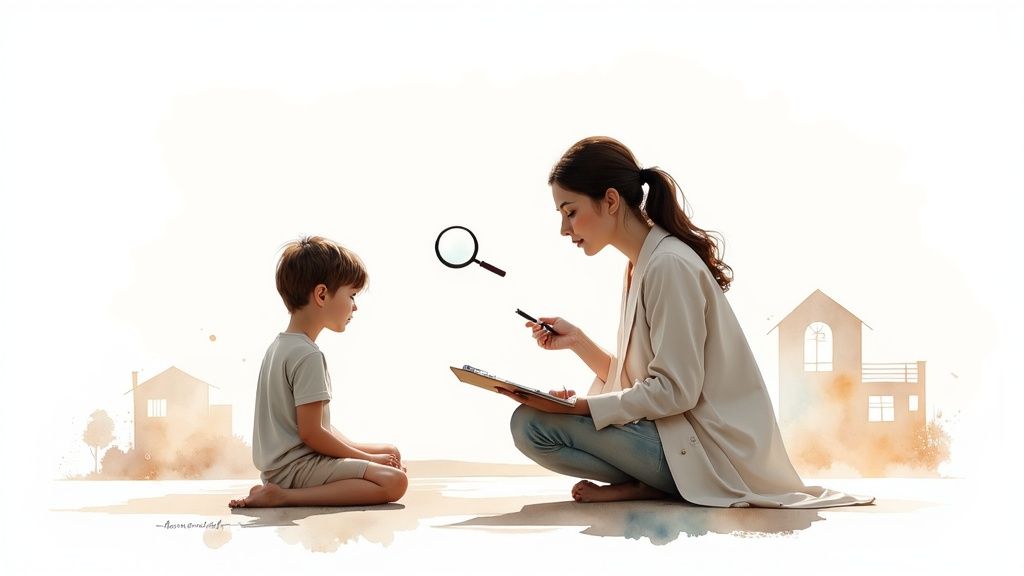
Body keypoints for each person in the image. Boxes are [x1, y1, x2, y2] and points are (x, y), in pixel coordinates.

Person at [500, 137, 872, 508]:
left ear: (610, 201)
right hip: (676, 435)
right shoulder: (640, 264)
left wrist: (580, 407)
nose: (565, 229)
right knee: (530, 423)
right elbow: (641, 380)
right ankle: (652, 485)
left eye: (570, 211)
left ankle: (662, 485)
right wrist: (578, 342)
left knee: (530, 425)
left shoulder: (668, 265)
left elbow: (676, 391)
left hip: (711, 451)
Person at [229, 236, 407, 508]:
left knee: (390, 452)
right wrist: (368, 460)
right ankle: (283, 496)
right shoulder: (309, 355)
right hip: (298, 469)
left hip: (282, 466)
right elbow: (312, 434)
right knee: (395, 482)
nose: (355, 306)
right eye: (352, 295)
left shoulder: (280, 345)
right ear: (322, 294)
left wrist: (364, 454)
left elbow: (318, 426)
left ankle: (280, 489)